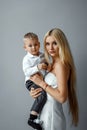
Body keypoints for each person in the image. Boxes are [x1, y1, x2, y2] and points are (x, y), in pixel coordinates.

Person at [30, 28, 79, 130]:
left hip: (52, 118)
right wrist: (35, 92)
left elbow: (62, 97)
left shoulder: (61, 65)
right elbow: (49, 93)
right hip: (44, 115)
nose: (50, 48)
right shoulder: (52, 64)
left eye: (55, 43)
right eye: (47, 44)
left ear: (62, 44)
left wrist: (42, 83)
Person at [22, 32, 49, 130]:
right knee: (41, 95)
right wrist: (37, 67)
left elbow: (46, 66)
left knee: (44, 95)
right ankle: (32, 118)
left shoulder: (42, 55)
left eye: (36, 45)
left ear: (39, 44)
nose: (33, 47)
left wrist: (46, 65)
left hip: (40, 80)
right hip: (31, 81)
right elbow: (26, 72)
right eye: (30, 46)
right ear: (25, 48)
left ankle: (37, 117)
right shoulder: (26, 59)